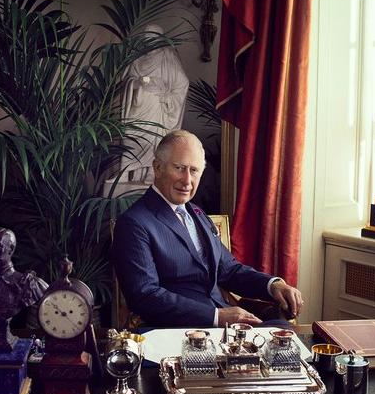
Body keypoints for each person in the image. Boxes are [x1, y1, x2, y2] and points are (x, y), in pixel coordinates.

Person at [111, 130, 304, 328]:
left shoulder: (197, 213)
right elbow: (145, 296)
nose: (187, 181)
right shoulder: (134, 223)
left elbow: (229, 270)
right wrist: (216, 316)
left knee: (286, 331)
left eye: (194, 170)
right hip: (178, 331)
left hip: (222, 328)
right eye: (179, 168)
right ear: (158, 167)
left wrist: (273, 285)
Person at [115, 24, 189, 185]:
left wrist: (167, 97)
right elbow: (126, 81)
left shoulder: (168, 59)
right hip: (137, 105)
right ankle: (124, 172)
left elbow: (182, 83)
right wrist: (136, 83)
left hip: (157, 107)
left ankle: (151, 172)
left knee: (154, 140)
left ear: (160, 39)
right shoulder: (137, 59)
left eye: (153, 37)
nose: (149, 40)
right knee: (131, 137)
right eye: (147, 36)